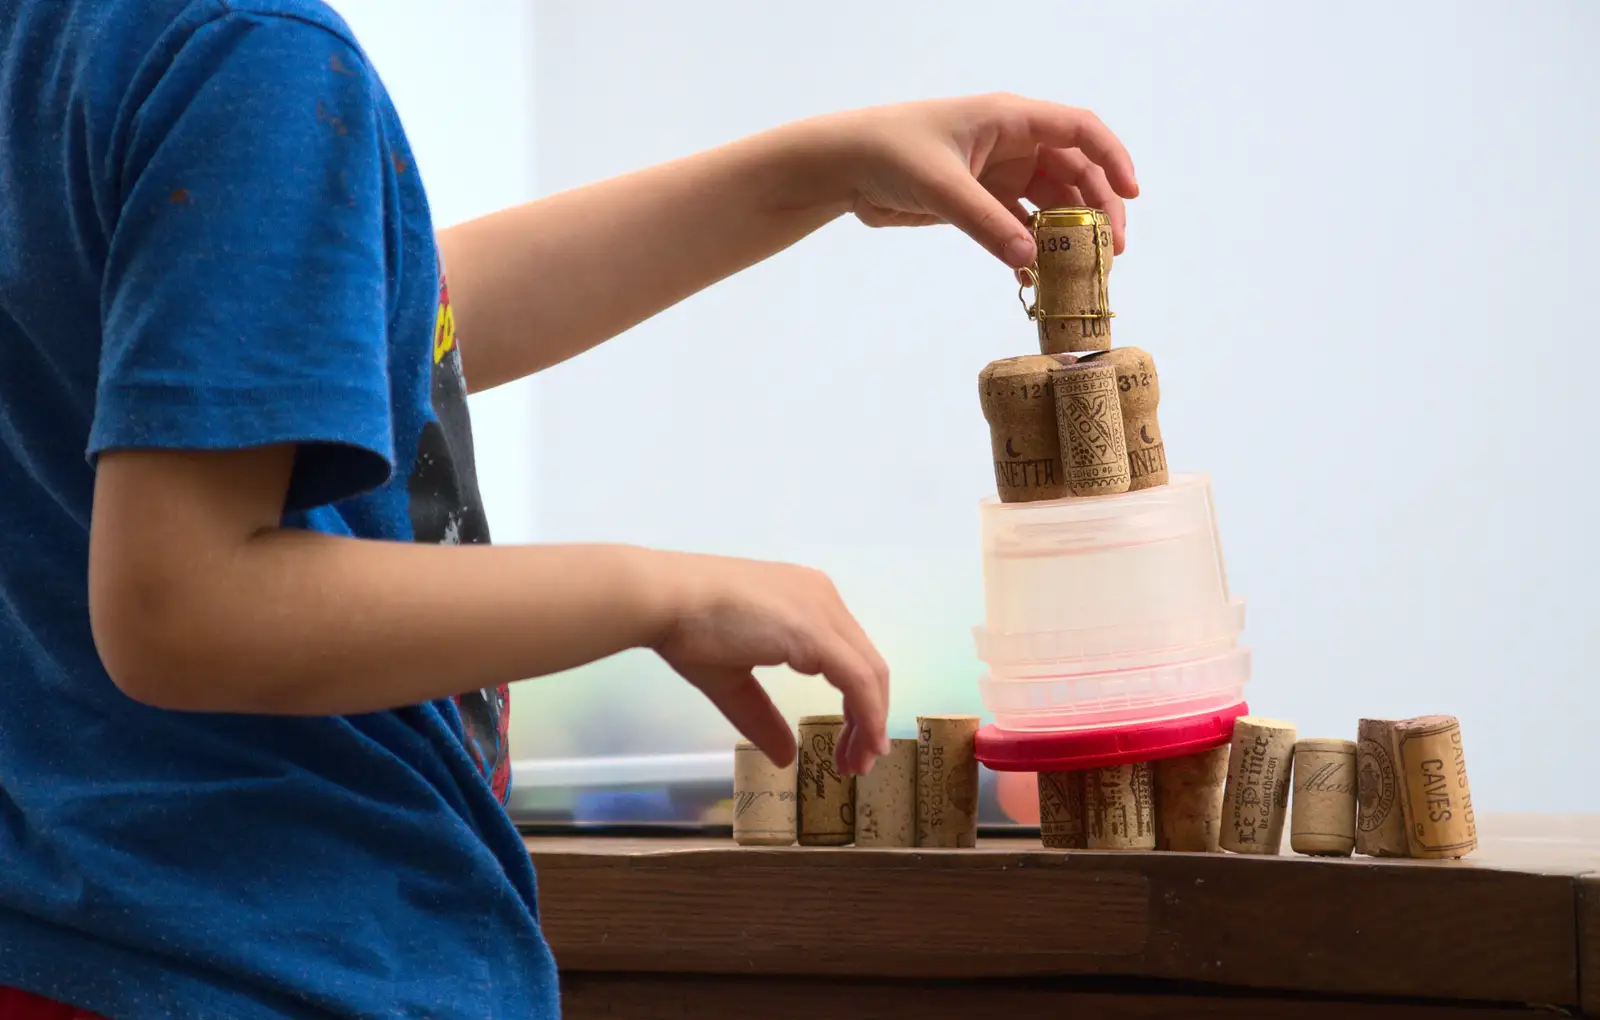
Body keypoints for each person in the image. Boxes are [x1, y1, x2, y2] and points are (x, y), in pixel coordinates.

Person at [0, 1, 1138, 1017]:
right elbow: (180, 609)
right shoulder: (246, 53)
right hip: (275, 956)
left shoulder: (73, 42)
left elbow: (335, 324)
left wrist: (815, 170)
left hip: (75, 925)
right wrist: (660, 593)